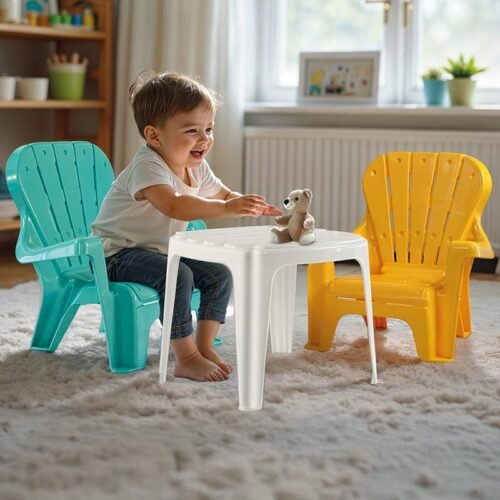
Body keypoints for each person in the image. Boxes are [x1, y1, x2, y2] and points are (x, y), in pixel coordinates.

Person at [91, 72, 282, 383]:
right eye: (192, 131)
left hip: (157, 252)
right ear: (154, 136)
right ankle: (186, 357)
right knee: (178, 275)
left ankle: (203, 346)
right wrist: (227, 209)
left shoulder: (196, 166)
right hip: (114, 255)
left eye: (209, 129)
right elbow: (174, 205)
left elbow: (223, 195)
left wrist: (245, 203)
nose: (204, 139)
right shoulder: (147, 166)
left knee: (219, 273)